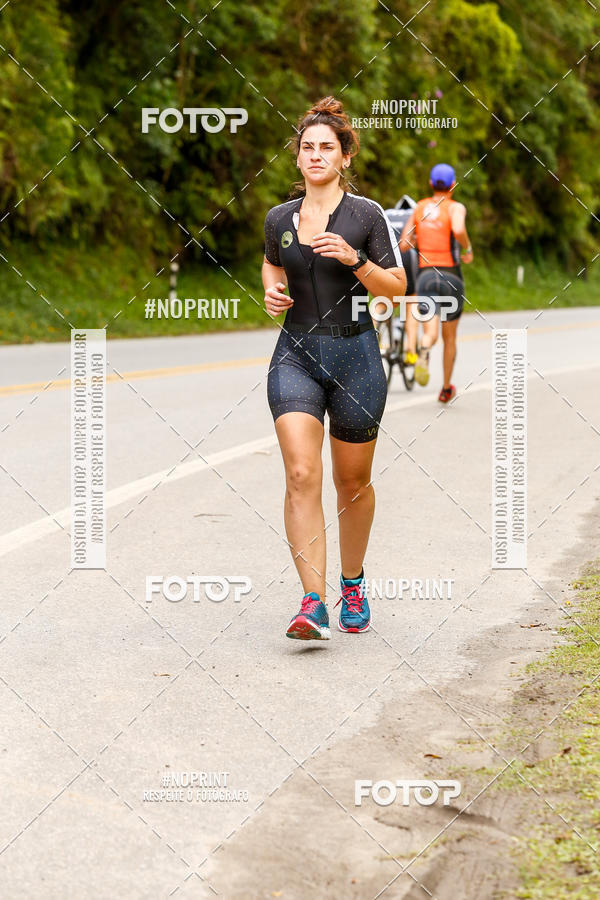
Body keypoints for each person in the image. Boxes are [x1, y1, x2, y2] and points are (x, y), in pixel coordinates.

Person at [262, 96, 406, 640]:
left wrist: (355, 259)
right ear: (297, 158)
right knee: (301, 473)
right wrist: (272, 296)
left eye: (327, 147)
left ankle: (352, 583)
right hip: (295, 353)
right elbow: (273, 268)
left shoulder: (366, 216)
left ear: (344, 156)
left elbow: (396, 288)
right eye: (307, 147)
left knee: (352, 482)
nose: (316, 155)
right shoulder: (279, 218)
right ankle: (311, 602)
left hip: (356, 356)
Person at [399, 163, 473, 402]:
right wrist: (467, 247)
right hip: (451, 276)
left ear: (431, 184)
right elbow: (459, 229)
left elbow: (404, 243)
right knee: (449, 337)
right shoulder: (455, 208)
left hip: (426, 277)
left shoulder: (420, 207)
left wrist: (419, 239)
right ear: (453, 185)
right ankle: (446, 387)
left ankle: (423, 346)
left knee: (429, 331)